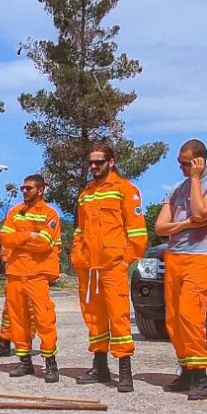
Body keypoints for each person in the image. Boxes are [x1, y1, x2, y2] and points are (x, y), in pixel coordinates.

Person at [155, 139, 207, 401]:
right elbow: (161, 228)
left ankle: (200, 375)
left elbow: (201, 212)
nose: (182, 168)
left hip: (201, 257)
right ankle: (186, 368)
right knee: (174, 319)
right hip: (174, 256)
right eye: (180, 163)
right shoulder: (176, 189)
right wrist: (186, 224)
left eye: (186, 163)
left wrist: (197, 179)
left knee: (191, 314)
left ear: (199, 160)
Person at [71, 143, 148, 393]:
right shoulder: (86, 194)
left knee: (119, 318)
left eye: (99, 162)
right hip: (89, 268)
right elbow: (80, 230)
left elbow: (137, 232)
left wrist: (126, 260)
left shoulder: (125, 190)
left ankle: (124, 370)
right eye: (91, 162)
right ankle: (100, 366)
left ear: (111, 162)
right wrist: (77, 256)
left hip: (114, 265)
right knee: (93, 318)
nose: (94, 166)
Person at [0, 174, 61, 383]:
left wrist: (18, 240)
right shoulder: (15, 211)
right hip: (15, 273)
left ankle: (50, 362)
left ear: (41, 190)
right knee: (18, 320)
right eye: (23, 188)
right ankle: (25, 361)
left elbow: (43, 244)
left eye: (29, 188)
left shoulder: (50, 214)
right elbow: (5, 237)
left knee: (44, 319)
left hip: (37, 274)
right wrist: (28, 236)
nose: (24, 191)